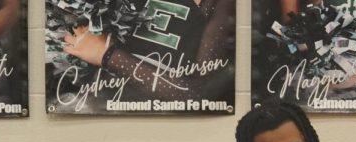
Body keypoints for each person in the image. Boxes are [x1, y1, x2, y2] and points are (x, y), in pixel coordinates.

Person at [60, 0, 234, 103]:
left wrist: (108, 56)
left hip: (161, 125)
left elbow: (201, 96)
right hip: (96, 111)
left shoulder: (217, 5)